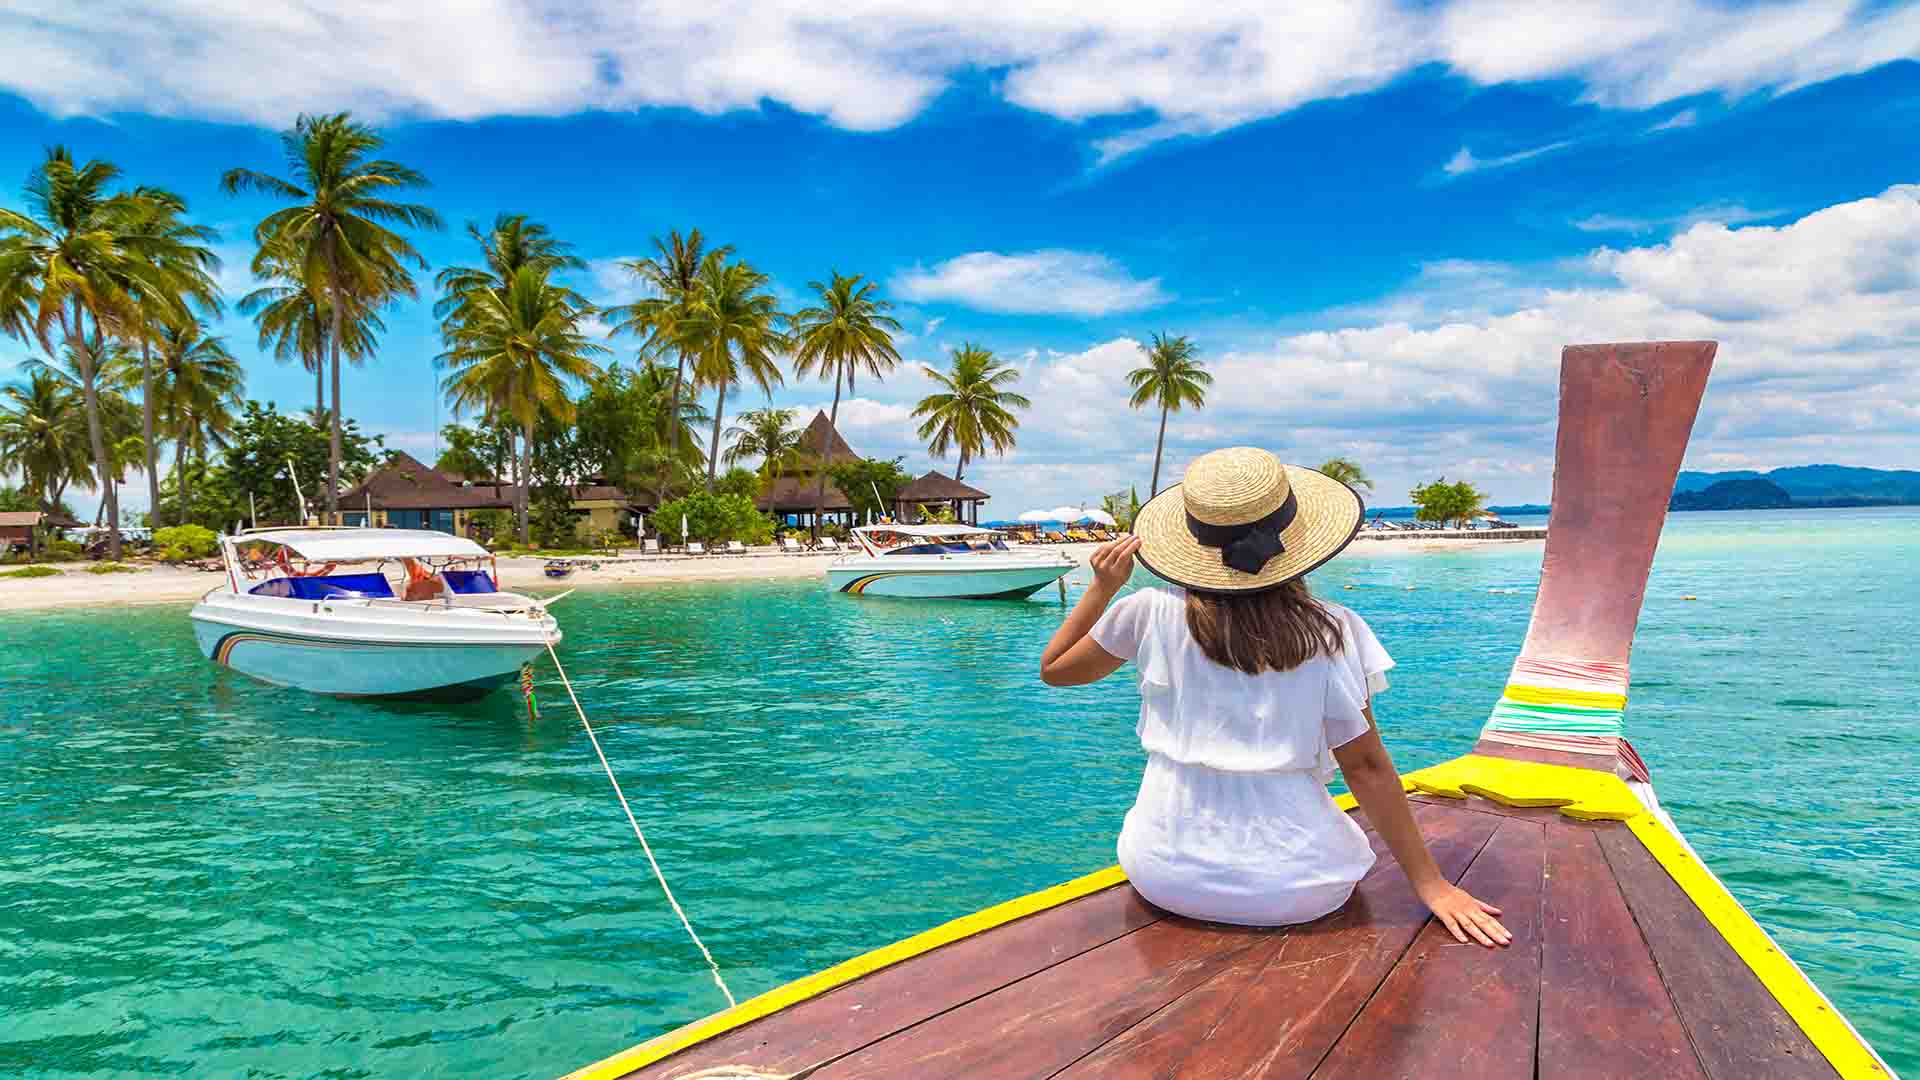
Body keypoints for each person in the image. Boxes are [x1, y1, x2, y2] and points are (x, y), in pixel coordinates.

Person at [1040, 447, 1510, 947]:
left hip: (1165, 872)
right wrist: (1431, 884)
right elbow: (1366, 767)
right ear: (1294, 540)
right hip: (1294, 886)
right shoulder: (1333, 631)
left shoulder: (1145, 611)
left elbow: (1055, 671)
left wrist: (1102, 588)